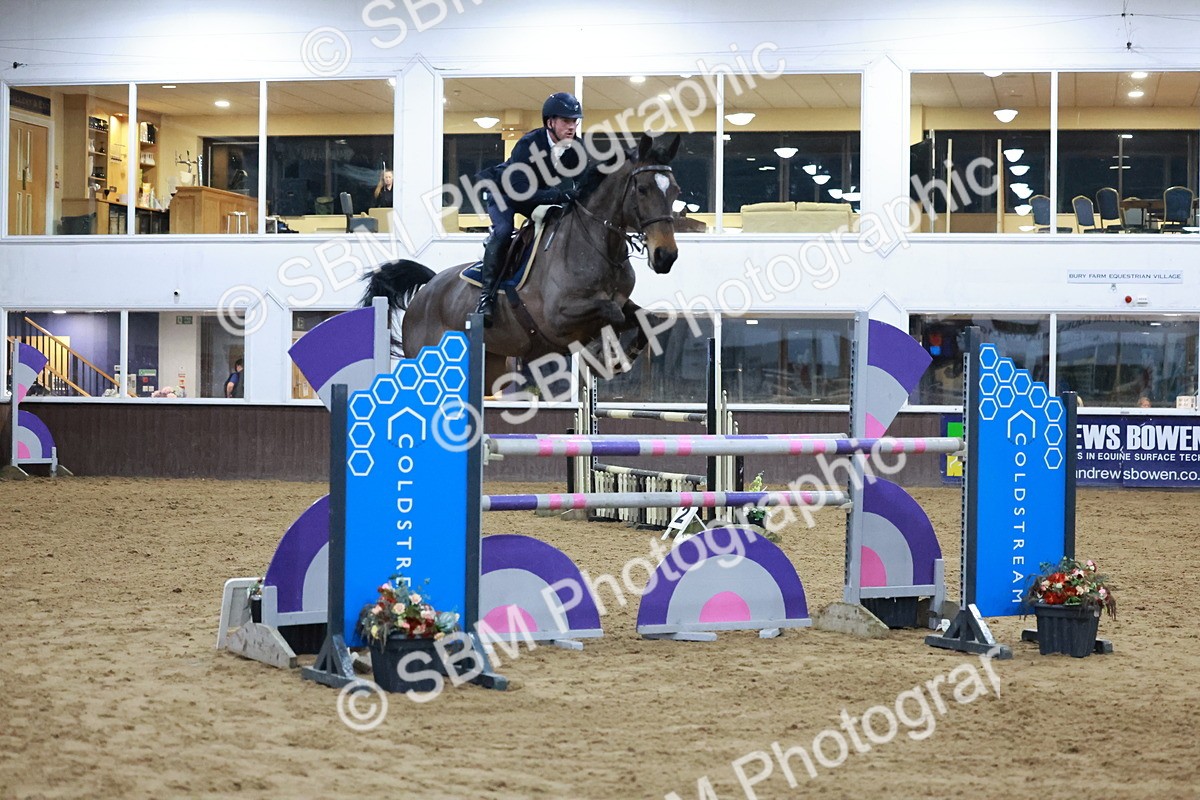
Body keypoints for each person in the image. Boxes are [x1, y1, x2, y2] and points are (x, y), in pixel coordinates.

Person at [473, 91, 587, 327]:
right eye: (566, 121)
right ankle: (486, 297)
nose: (572, 127)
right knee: (504, 232)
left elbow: (584, 181)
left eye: (575, 121)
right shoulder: (528, 144)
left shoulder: (576, 146)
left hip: (535, 195)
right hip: (505, 193)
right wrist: (559, 195)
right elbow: (519, 191)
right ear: (550, 122)